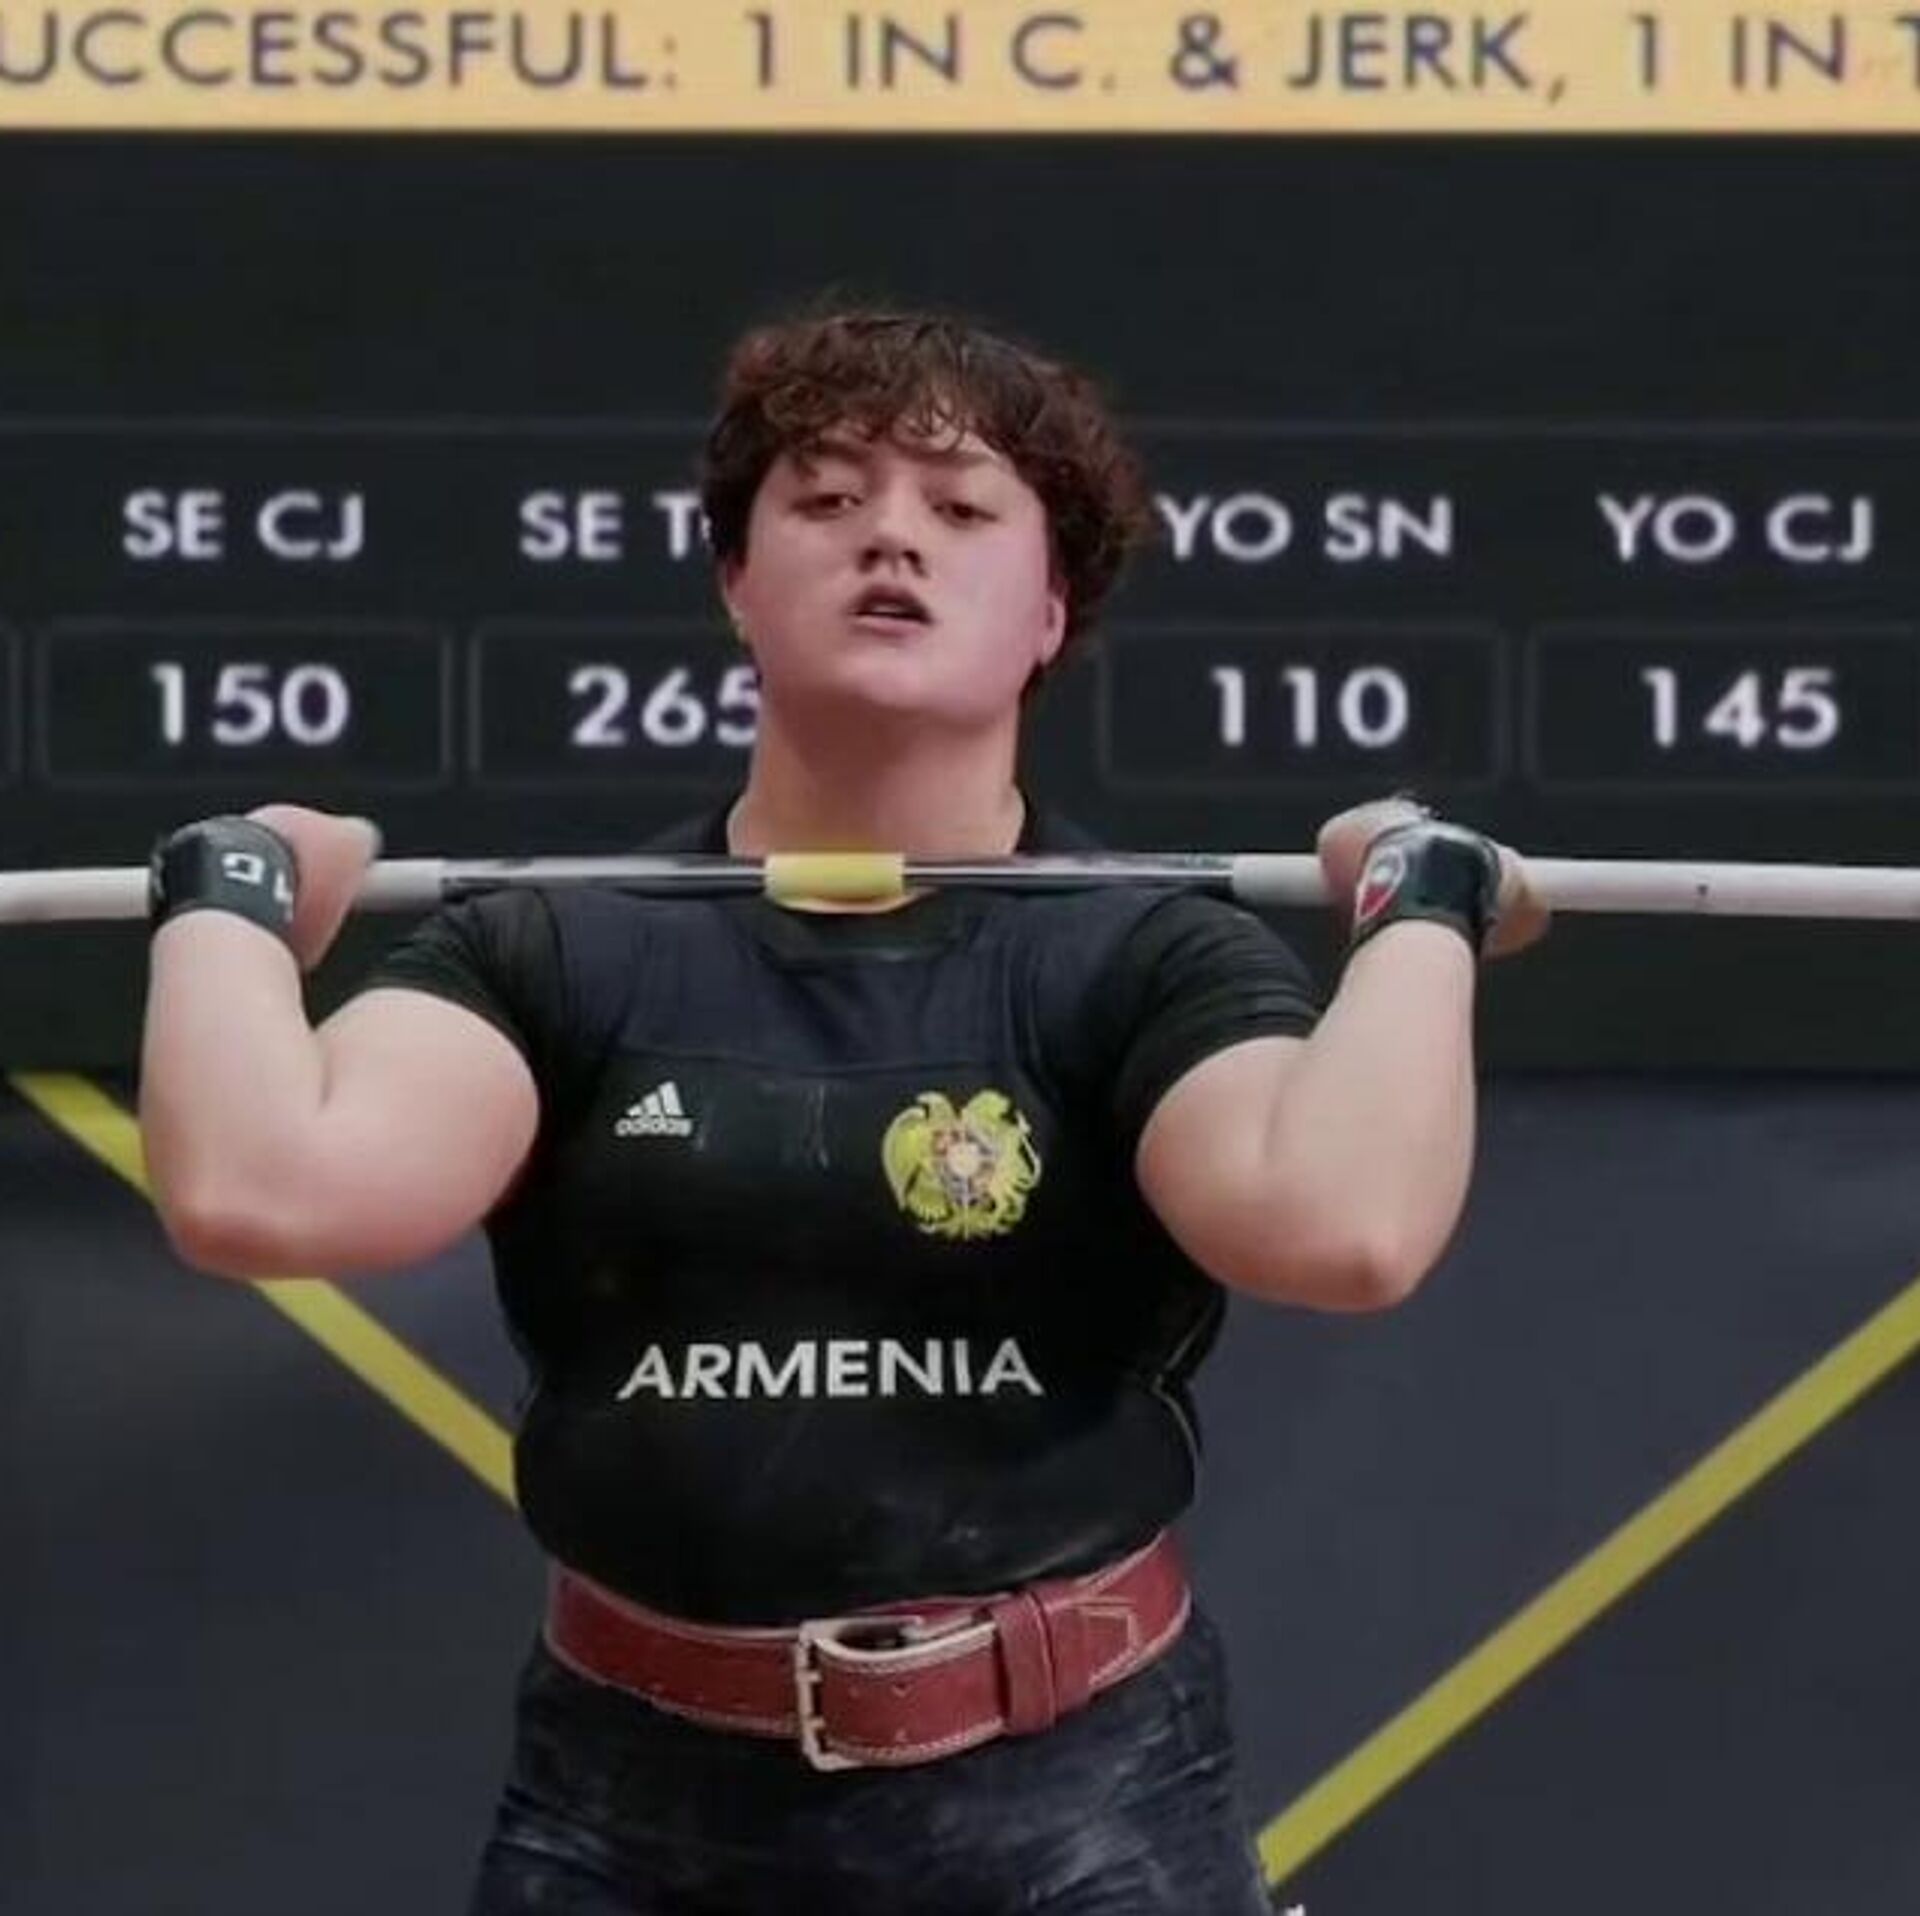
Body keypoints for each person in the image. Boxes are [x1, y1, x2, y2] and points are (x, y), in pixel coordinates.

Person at [137, 305, 1547, 1914]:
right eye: (825, 498)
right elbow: (262, 1191)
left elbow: (1345, 1230)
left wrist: (1418, 910)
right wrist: (230, 901)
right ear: (737, 580)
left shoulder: (1144, 954)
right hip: (630, 1811)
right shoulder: (557, 947)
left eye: (960, 508)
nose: (891, 536)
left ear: (1050, 610)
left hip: (1084, 1809)